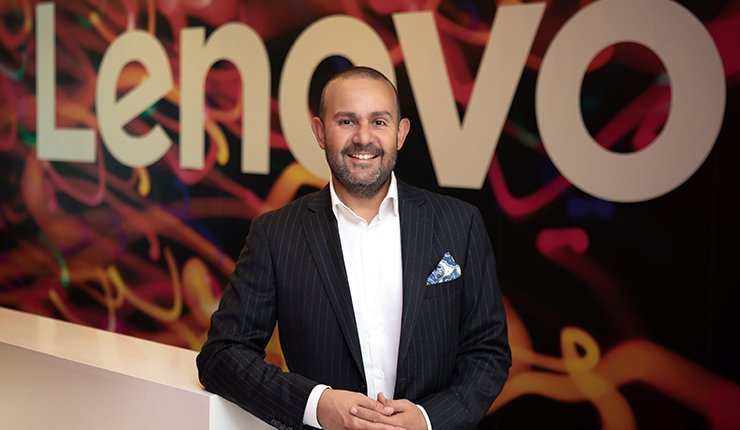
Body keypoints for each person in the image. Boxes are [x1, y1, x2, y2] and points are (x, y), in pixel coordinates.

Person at [196, 66, 511, 430]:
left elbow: (488, 352)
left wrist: (427, 420)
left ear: (400, 133)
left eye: (379, 122)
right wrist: (317, 404)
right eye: (346, 121)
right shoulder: (275, 234)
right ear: (320, 132)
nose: (363, 137)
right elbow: (221, 355)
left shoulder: (460, 223)